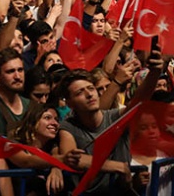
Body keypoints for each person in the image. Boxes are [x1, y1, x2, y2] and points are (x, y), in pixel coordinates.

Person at [57, 55, 164, 196]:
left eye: (91, 88)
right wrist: (116, 166)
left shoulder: (115, 118)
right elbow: (73, 159)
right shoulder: (68, 126)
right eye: (79, 93)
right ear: (69, 103)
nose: (89, 94)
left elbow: (140, 100)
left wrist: (155, 72)